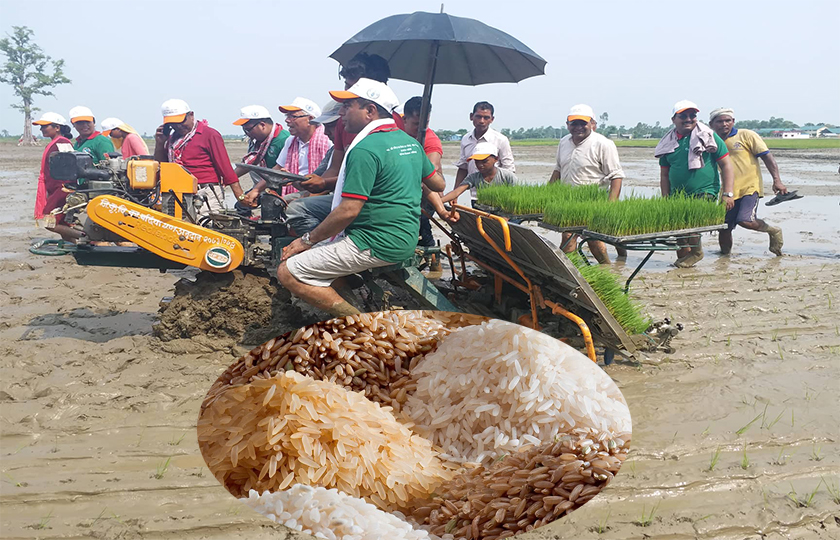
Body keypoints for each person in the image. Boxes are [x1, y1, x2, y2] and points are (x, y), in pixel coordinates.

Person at [276, 78, 445, 316]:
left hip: (375, 241)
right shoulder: (410, 143)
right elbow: (438, 183)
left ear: (370, 110)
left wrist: (306, 240)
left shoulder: (365, 148)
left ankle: (360, 323)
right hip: (406, 237)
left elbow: (348, 211)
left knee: (288, 271)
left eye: (348, 106)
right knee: (321, 264)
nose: (342, 113)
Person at [296, 52, 391, 196]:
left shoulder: (391, 126)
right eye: (346, 86)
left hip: (374, 197)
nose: (347, 93)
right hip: (345, 191)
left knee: (299, 209)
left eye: (354, 88)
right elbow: (334, 168)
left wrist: (323, 185)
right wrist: (313, 189)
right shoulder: (344, 122)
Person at [655, 100, 735, 268]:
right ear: (673, 120)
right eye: (683, 116)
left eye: (692, 115)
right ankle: (685, 266)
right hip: (678, 194)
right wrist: (666, 198)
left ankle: (697, 252)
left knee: (692, 224)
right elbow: (664, 174)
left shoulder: (707, 137)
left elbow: (726, 165)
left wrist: (727, 194)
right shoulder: (668, 143)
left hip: (705, 190)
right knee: (679, 231)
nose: (688, 119)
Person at [549, 104, 626, 264]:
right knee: (568, 238)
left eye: (583, 123)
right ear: (567, 124)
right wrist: (546, 196)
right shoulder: (564, 142)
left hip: (593, 201)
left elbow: (616, 176)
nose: (578, 127)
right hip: (568, 201)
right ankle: (573, 274)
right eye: (574, 123)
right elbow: (558, 170)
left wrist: (610, 206)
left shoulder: (603, 144)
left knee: (594, 240)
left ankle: (607, 268)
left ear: (592, 123)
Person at [708, 108, 786, 256]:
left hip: (750, 186)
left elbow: (767, 157)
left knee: (746, 220)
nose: (724, 124)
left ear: (733, 122)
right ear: (711, 124)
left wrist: (777, 180)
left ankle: (772, 230)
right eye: (719, 121)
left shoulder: (746, 135)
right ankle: (724, 257)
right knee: (724, 226)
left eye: (728, 120)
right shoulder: (711, 141)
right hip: (728, 190)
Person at [153, 99, 245, 217]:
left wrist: (240, 196)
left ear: (191, 115)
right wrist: (160, 143)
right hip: (176, 192)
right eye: (173, 124)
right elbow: (162, 166)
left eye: (181, 122)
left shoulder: (209, 134)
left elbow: (225, 168)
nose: (178, 126)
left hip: (205, 193)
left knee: (204, 227)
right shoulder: (171, 139)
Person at [284, 100, 342, 234]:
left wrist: (308, 196)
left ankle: (315, 244)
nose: (326, 132)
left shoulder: (329, 143)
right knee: (279, 201)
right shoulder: (334, 150)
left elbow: (329, 183)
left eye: (331, 126)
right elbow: (321, 177)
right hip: (331, 193)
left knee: (296, 208)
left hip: (344, 198)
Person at [401, 96, 444, 246]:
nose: (421, 129)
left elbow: (428, 173)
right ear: (404, 119)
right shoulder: (397, 134)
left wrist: (441, 209)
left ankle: (431, 253)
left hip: (428, 194)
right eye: (416, 124)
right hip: (405, 191)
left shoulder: (431, 141)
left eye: (425, 123)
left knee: (419, 225)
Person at [453, 101, 515, 200]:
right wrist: (455, 195)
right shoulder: (466, 139)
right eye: (478, 116)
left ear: (492, 119)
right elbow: (463, 167)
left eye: (486, 118)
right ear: (471, 116)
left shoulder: (500, 140)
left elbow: (509, 169)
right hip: (475, 194)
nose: (482, 121)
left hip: (497, 195)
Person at [32, 112, 79, 242]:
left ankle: (84, 236)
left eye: (45, 126)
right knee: (62, 222)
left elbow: (69, 168)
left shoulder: (62, 143)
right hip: (57, 189)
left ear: (57, 127)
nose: (41, 129)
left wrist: (64, 190)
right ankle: (73, 247)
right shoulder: (56, 143)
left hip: (62, 189)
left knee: (50, 222)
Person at [233, 105, 290, 208]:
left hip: (279, 190)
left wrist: (256, 190)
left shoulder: (284, 140)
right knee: (241, 206)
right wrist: (228, 178)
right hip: (262, 186)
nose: (247, 134)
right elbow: (247, 165)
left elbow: (277, 171)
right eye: (244, 130)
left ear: (262, 125)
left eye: (248, 130)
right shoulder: (256, 142)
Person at [438, 142, 516, 205]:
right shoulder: (474, 177)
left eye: (484, 161)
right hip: (485, 209)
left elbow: (516, 197)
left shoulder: (507, 176)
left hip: (504, 210)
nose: (480, 165)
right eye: (476, 161)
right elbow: (457, 192)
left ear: (496, 159)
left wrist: (506, 217)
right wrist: (438, 202)